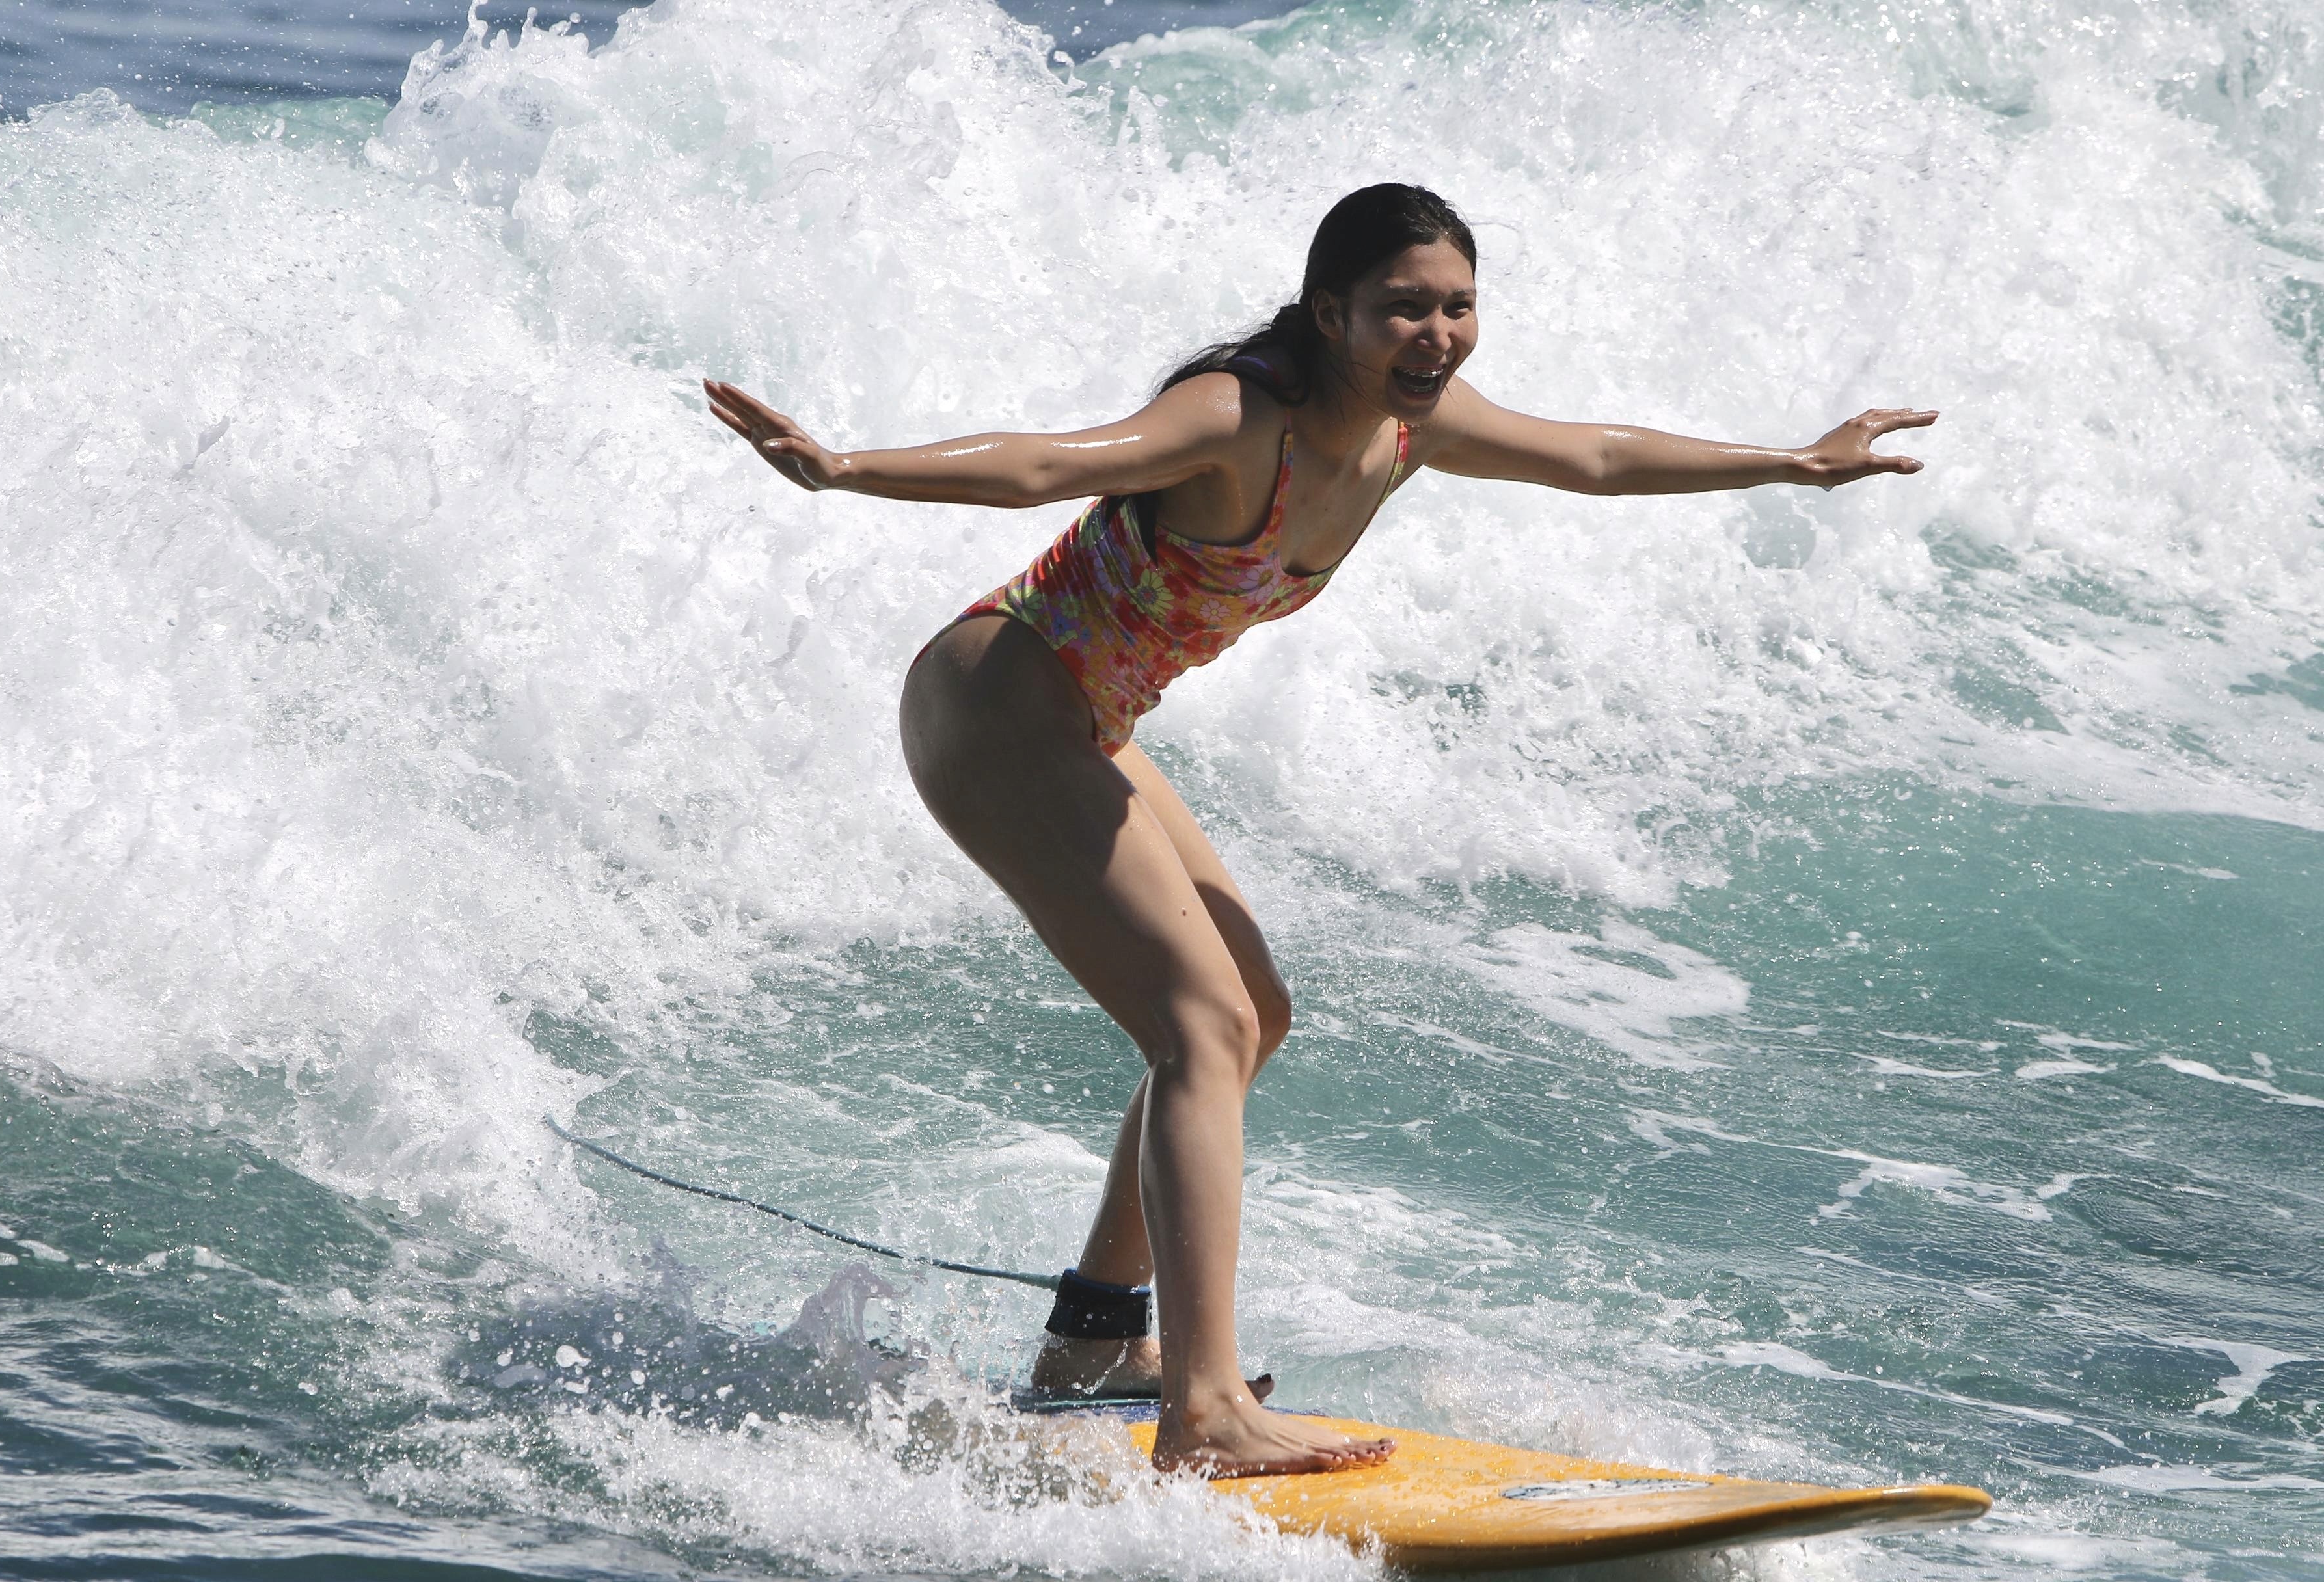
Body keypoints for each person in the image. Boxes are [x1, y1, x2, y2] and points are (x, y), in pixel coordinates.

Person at [703, 183, 1934, 1477]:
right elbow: (1056, 461)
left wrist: (1795, 459)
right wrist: (846, 468)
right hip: (999, 702)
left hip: (1091, 716)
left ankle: (1093, 1337)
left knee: (1252, 1014)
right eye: (1405, 308)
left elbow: (1594, 456)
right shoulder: (1244, 414)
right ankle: (1206, 1410)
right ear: (1331, 311)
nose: (1437, 334)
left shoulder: (1415, 430)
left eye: (1458, 306)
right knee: (1203, 1025)